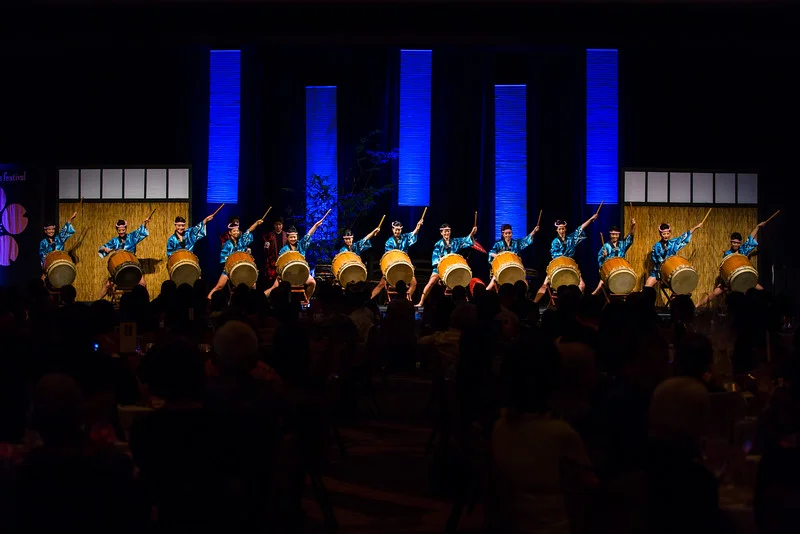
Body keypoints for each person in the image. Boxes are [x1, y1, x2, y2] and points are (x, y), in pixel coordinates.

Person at [697, 221, 767, 306]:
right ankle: (696, 306)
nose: (735, 244)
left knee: (761, 290)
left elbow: (750, 239)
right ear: (731, 242)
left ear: (740, 243)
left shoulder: (743, 250)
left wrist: (757, 227)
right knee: (715, 293)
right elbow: (724, 269)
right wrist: (726, 283)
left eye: (737, 243)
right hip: (729, 279)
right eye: (734, 242)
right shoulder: (727, 254)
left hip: (743, 277)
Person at [533, 214, 597, 302]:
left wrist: (590, 219)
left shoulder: (571, 239)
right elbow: (555, 256)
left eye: (563, 228)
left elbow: (580, 229)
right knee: (544, 285)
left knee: (582, 285)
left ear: (565, 229)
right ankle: (534, 303)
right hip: (557, 266)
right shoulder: (555, 242)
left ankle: (579, 305)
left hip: (570, 265)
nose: (562, 230)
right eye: (560, 229)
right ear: (557, 230)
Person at [265, 216, 327, 300]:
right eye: (291, 237)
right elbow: (279, 264)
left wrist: (315, 226)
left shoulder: (301, 245)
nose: (293, 239)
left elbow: (308, 235)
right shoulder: (284, 250)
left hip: (300, 273)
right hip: (287, 274)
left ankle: (307, 301)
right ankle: (261, 300)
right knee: (274, 287)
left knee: (312, 282)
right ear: (287, 238)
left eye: (294, 237)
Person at [416, 222, 477, 307]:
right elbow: (435, 259)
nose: (446, 233)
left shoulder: (455, 242)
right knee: (431, 282)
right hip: (440, 268)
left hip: (452, 267)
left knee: (462, 280)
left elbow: (466, 240)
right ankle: (421, 302)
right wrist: (441, 269)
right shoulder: (438, 244)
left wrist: (472, 232)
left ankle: (465, 301)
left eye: (448, 231)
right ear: (441, 233)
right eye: (445, 231)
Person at [207, 218, 264, 299]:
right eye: (234, 231)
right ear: (230, 233)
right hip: (229, 269)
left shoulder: (242, 241)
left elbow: (249, 231)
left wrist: (256, 223)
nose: (236, 232)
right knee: (219, 286)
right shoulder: (227, 245)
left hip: (242, 268)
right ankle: (208, 301)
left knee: (253, 284)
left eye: (237, 231)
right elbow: (224, 260)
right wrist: (230, 270)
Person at [370, 218, 423, 300]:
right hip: (392, 267)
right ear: (392, 229)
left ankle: (406, 300)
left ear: (401, 230)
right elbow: (388, 257)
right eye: (396, 230)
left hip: (404, 266)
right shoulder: (389, 242)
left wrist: (417, 227)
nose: (397, 231)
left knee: (414, 283)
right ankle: (368, 299)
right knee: (381, 284)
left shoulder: (405, 237)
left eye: (399, 230)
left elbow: (413, 233)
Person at [97, 217, 150, 298]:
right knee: (107, 285)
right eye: (119, 230)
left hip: (132, 267)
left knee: (143, 284)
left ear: (126, 229)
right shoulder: (114, 241)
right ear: (117, 230)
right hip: (119, 268)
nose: (121, 232)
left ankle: (146, 303)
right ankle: (95, 302)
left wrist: (145, 223)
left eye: (123, 230)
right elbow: (101, 249)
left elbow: (140, 231)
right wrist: (105, 248)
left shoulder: (132, 237)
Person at [644, 219, 704, 288]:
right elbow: (658, 259)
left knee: (680, 287)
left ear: (670, 233)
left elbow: (684, 237)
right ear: (660, 234)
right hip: (658, 271)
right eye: (664, 234)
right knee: (647, 286)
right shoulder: (657, 246)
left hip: (670, 271)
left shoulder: (673, 243)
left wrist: (696, 227)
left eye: (667, 233)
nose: (666, 236)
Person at [486, 222, 540, 292]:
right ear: (503, 234)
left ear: (512, 233)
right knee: (493, 280)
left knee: (524, 282)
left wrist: (534, 231)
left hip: (515, 266)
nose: (508, 235)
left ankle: (525, 296)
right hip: (503, 267)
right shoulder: (498, 244)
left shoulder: (516, 243)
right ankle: (485, 293)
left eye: (510, 233)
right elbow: (490, 253)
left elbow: (526, 240)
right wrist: (499, 256)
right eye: (506, 233)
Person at [591, 218, 636, 295]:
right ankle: (594, 294)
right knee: (603, 279)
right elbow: (601, 260)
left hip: (621, 268)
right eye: (613, 234)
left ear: (618, 234)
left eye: (616, 234)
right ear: (610, 234)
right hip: (610, 270)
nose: (614, 236)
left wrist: (632, 226)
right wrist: (604, 256)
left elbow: (630, 237)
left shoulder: (622, 244)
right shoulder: (606, 246)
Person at [39, 211, 78, 280]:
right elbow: (42, 256)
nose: (51, 231)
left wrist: (71, 219)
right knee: (43, 281)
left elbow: (64, 229)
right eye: (49, 229)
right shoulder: (43, 242)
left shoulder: (59, 238)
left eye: (52, 229)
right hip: (49, 266)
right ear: (45, 231)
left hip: (60, 265)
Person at [263, 216, 287, 284]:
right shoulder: (269, 235)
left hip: (283, 261)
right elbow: (265, 250)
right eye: (276, 224)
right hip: (272, 262)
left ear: (282, 225)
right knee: (272, 281)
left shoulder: (286, 235)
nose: (278, 226)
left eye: (280, 224)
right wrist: (266, 247)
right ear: (274, 225)